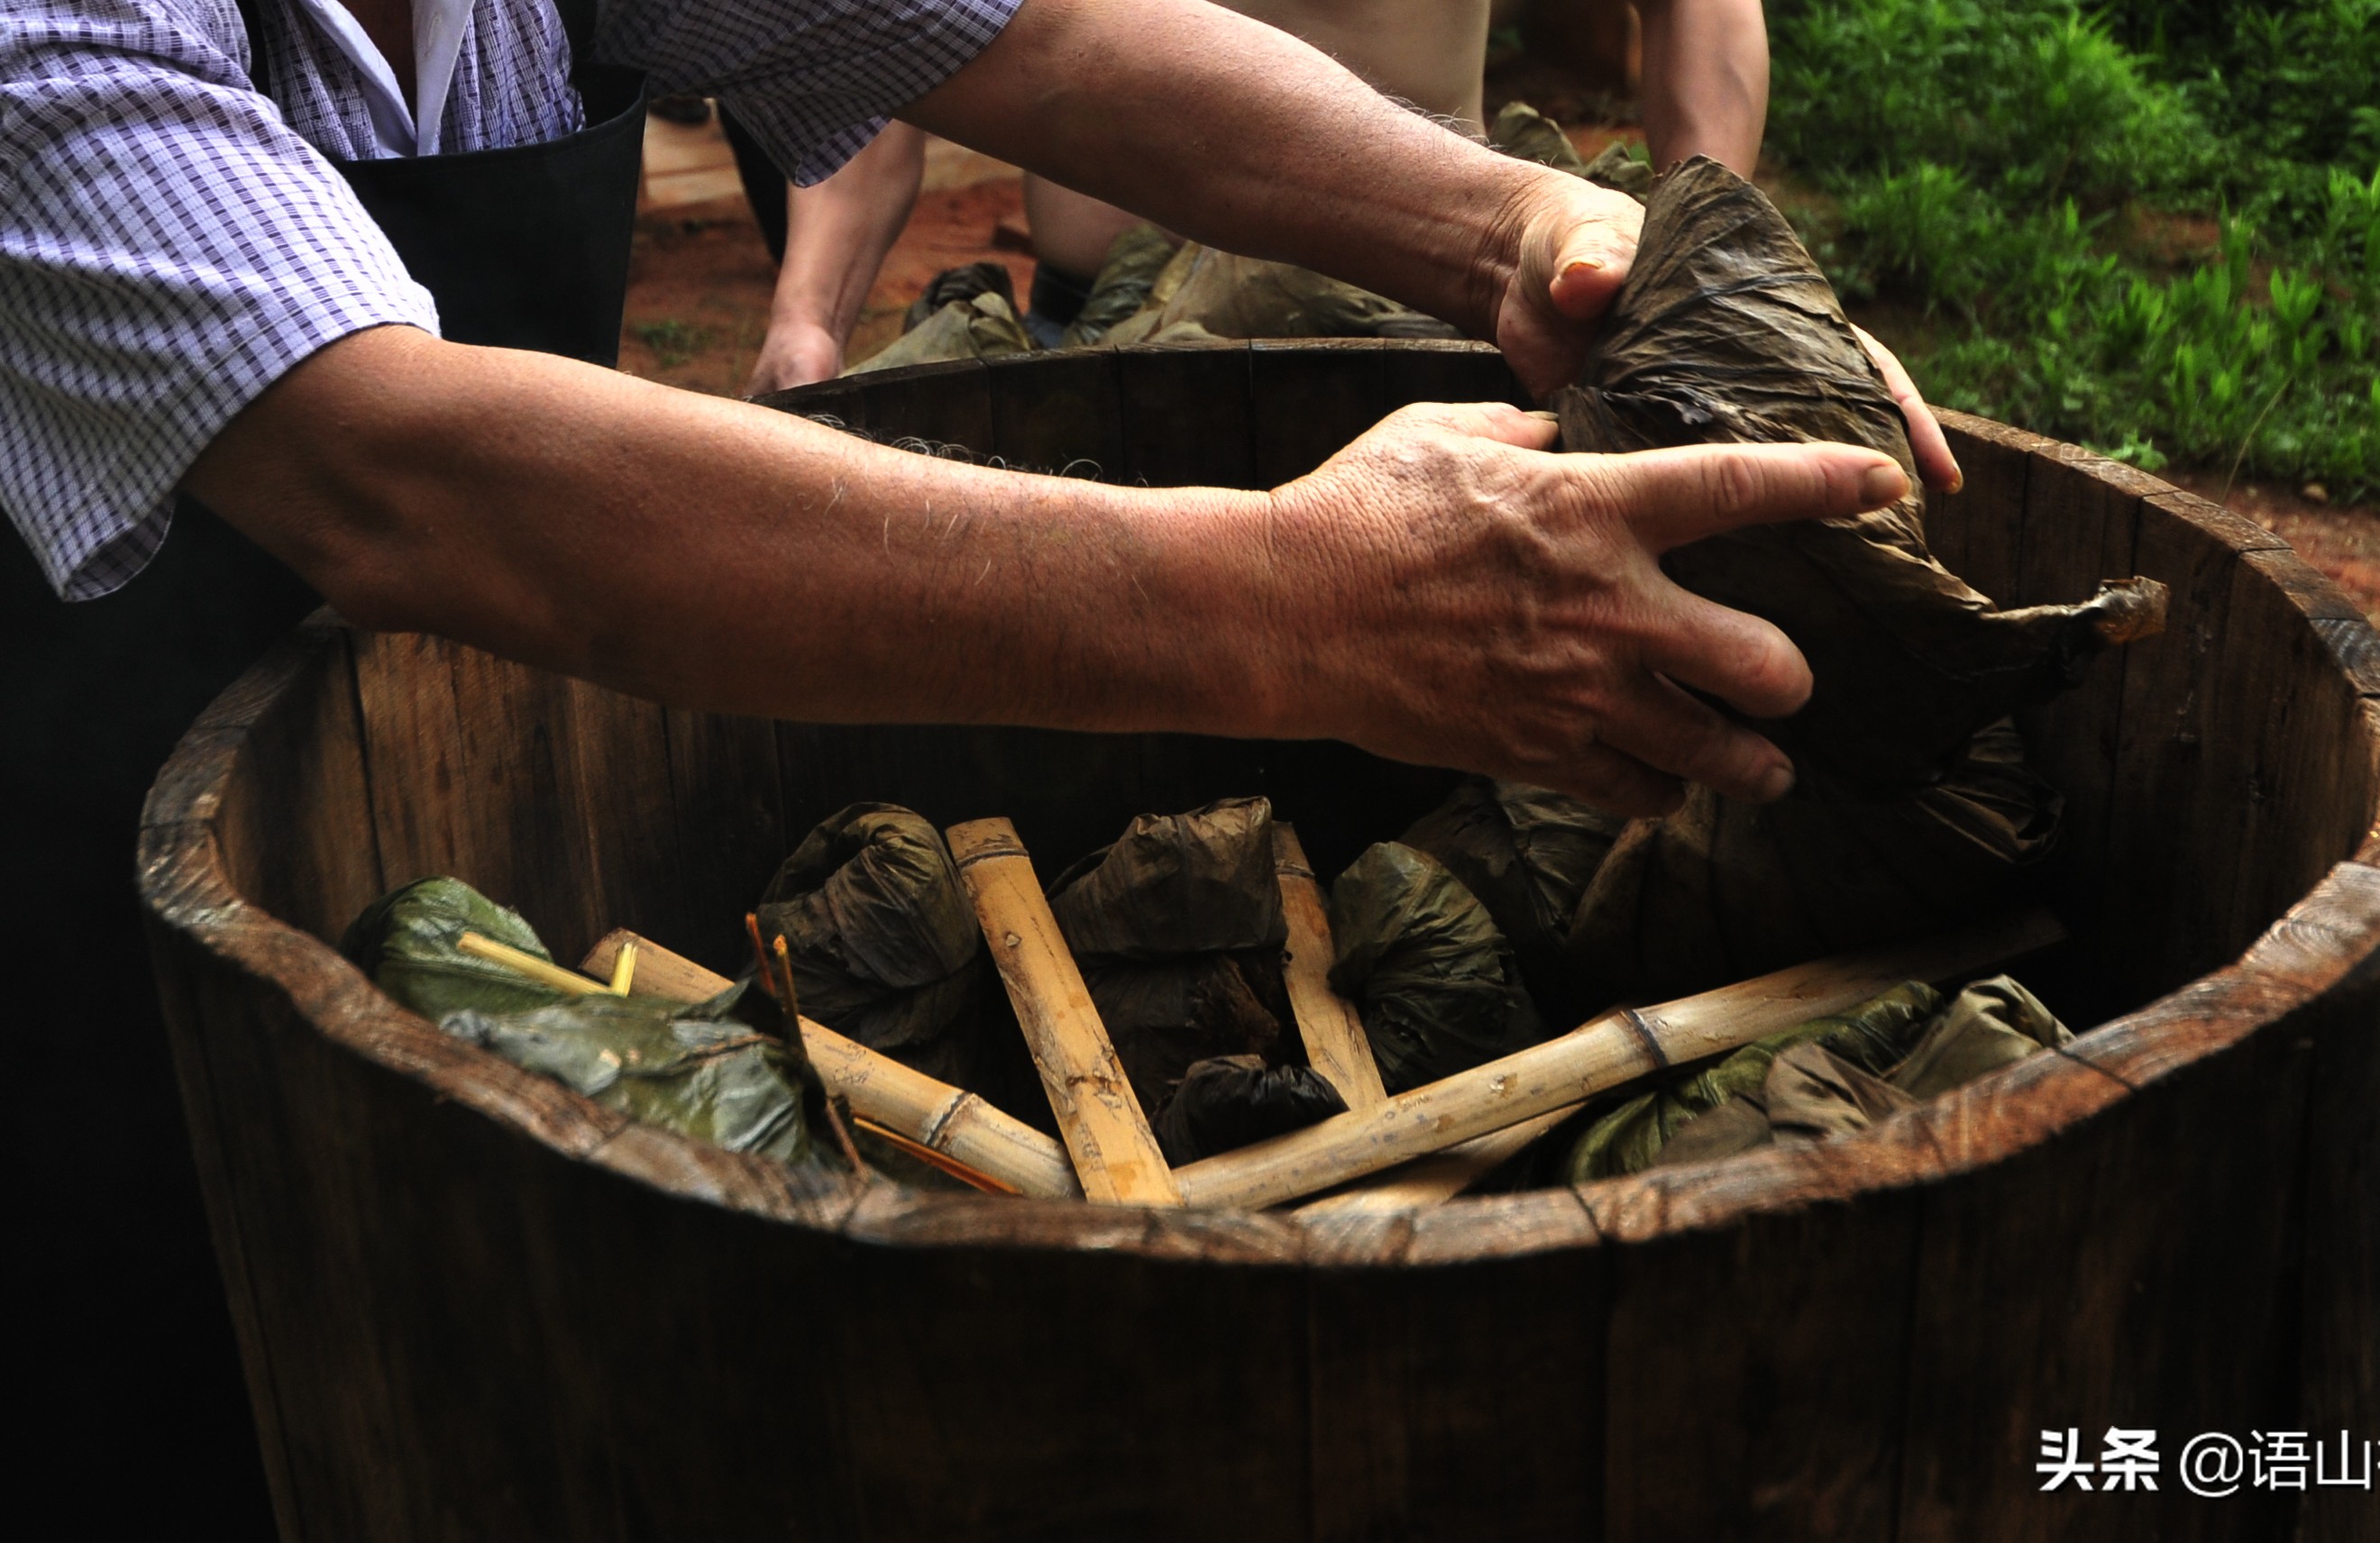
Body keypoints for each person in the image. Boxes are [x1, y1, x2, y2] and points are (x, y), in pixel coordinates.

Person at [3, 0, 1957, 1531]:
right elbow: (403, 478)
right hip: (54, 889)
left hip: (348, 804)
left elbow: (1038, 33)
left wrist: (1524, 228)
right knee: (146, 1408)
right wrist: (1293, 601)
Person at [745, 0, 1771, 390]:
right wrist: (808, 318)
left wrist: (1694, 266)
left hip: (1417, 335)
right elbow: (883, 32)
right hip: (1083, 344)